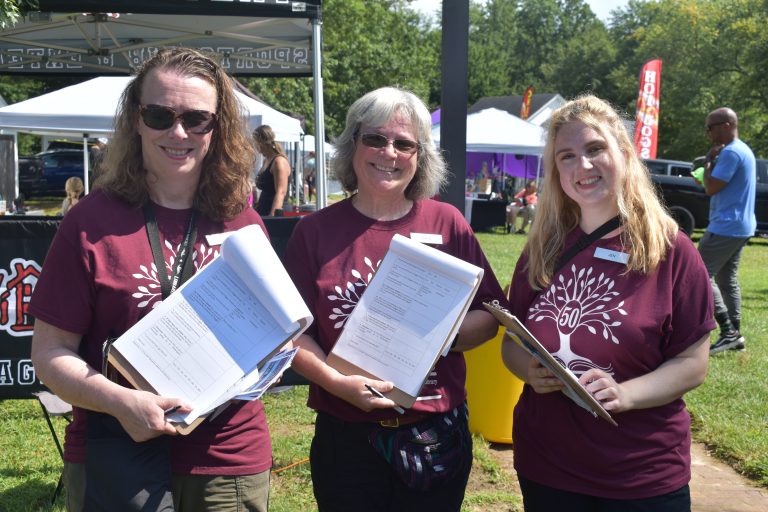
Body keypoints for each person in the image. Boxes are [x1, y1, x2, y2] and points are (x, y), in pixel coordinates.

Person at [30, 47, 273, 512]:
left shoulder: (242, 222)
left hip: (225, 455)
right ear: (136, 120)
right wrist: (122, 402)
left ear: (217, 127)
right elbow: (49, 353)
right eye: (160, 114)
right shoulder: (89, 223)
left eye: (197, 118)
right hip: (116, 448)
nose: (178, 132)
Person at [284, 86, 507, 511]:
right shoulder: (314, 232)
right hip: (345, 435)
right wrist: (336, 383)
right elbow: (292, 332)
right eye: (375, 139)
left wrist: (435, 338)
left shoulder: (447, 223)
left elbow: (490, 315)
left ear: (420, 156)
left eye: (404, 143)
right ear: (352, 144)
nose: (389, 153)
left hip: (434, 433)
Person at [500, 95, 715, 511]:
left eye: (595, 149)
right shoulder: (541, 249)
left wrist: (626, 394)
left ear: (624, 153)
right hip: (548, 467)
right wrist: (528, 369)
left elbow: (693, 362)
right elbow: (512, 341)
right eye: (567, 156)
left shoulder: (670, 250)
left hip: (641, 474)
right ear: (556, 170)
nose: (583, 165)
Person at [696, 107, 756, 354]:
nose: (707, 132)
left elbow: (711, 188)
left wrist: (708, 161)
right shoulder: (744, 150)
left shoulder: (731, 153)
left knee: (700, 274)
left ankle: (729, 332)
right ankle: (735, 335)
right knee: (727, 280)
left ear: (727, 125)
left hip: (726, 226)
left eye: (710, 127)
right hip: (741, 226)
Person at [254, 124, 291, 216]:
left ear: (262, 142)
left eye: (256, 143)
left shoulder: (279, 161)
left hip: (275, 212)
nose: (255, 146)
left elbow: (281, 192)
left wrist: (272, 217)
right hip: (264, 210)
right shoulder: (266, 160)